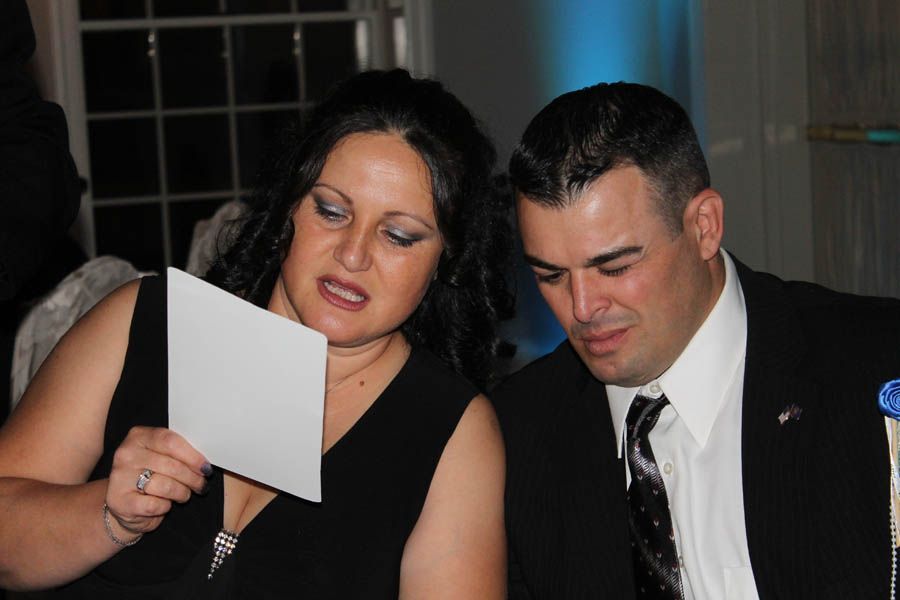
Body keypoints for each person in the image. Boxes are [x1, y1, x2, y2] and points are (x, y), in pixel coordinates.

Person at [0, 69, 510, 598]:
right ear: (290, 204)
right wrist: (108, 514)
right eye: (331, 211)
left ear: (446, 260)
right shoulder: (145, 322)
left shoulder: (452, 430)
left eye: (398, 236)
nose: (352, 254)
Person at [494, 81, 900, 599]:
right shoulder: (517, 434)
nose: (581, 307)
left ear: (704, 226)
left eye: (614, 266)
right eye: (550, 276)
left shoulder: (873, 364)